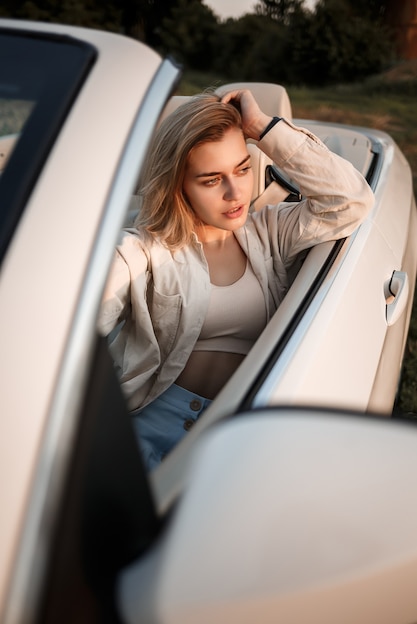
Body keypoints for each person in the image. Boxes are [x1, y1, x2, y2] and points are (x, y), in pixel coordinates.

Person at [98, 89, 374, 470]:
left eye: (243, 169)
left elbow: (350, 200)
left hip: (234, 434)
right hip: (147, 424)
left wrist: (261, 127)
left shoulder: (270, 232)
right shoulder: (143, 251)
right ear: (179, 186)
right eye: (212, 180)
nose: (235, 193)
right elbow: (74, 331)